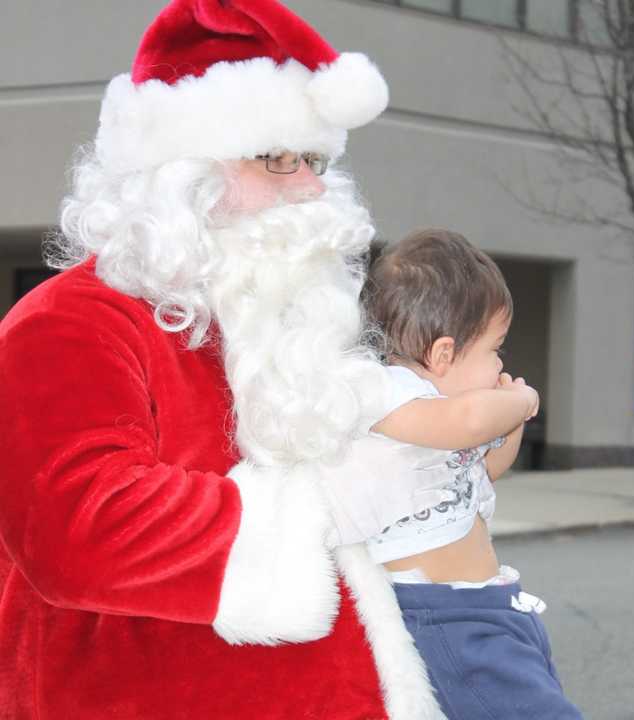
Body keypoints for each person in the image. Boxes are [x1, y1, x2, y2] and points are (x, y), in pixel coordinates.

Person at [0, 2, 462, 718]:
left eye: (315, 160)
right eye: (276, 158)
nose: (310, 186)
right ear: (175, 175)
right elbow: (77, 533)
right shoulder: (68, 321)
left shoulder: (269, 323)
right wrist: (326, 504)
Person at [358, 229, 585, 719]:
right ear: (442, 354)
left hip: (488, 606)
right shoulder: (387, 396)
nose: (500, 362)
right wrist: (519, 401)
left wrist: (511, 426)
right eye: (494, 348)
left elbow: (484, 470)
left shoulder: (445, 418)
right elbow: (468, 423)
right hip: (443, 616)